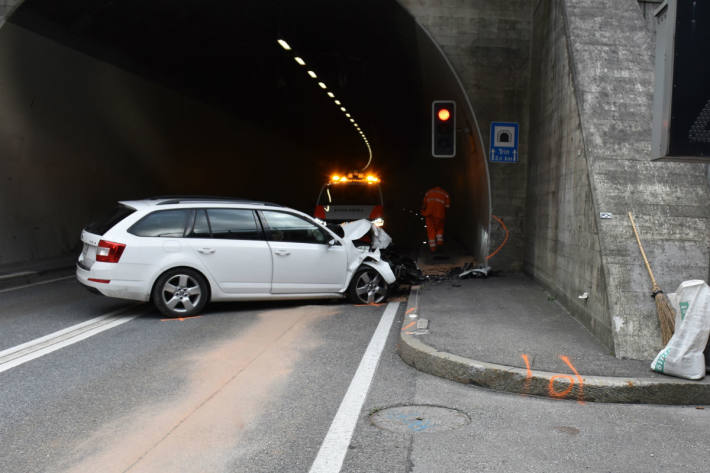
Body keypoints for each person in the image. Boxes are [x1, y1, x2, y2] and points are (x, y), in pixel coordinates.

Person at [421, 185, 450, 252]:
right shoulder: (445, 194)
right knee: (439, 229)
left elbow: (424, 204)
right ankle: (440, 244)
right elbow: (447, 206)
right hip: (440, 215)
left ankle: (433, 248)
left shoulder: (428, 192)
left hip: (429, 214)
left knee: (431, 231)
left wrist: (423, 211)